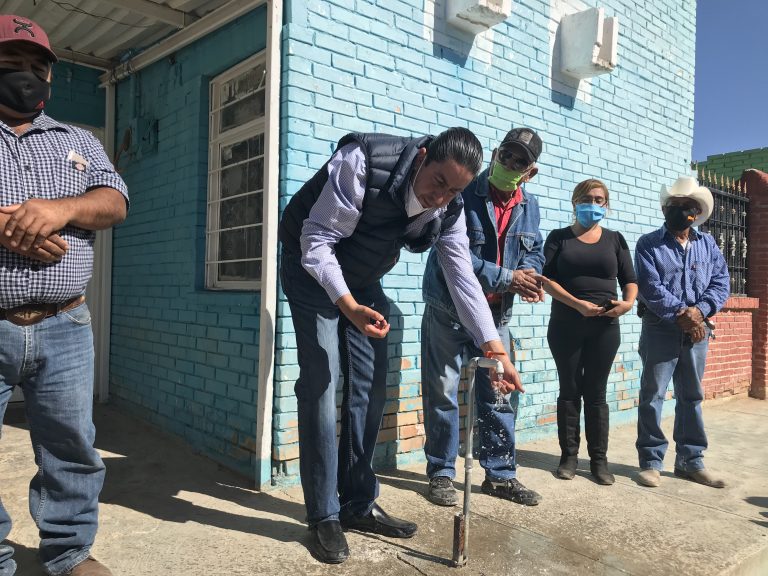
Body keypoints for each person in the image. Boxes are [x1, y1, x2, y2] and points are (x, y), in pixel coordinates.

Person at [278, 127, 523, 564]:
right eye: (438, 182)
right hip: (311, 269)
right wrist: (347, 304)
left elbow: (462, 277)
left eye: (455, 191)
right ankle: (324, 516)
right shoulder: (364, 161)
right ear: (423, 157)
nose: (440, 197)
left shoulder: (451, 209)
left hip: (363, 280)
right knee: (322, 381)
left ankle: (357, 503)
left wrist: (496, 350)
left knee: (369, 391)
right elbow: (316, 240)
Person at [0, 15, 128, 576]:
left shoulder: (78, 140)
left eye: (36, 67)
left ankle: (69, 551)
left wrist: (61, 209)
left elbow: (115, 201)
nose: (26, 77)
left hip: (66, 323)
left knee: (72, 447)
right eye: (11, 66)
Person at [421, 127, 545, 507]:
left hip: (496, 318)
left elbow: (534, 250)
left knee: (499, 395)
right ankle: (441, 473)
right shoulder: (465, 195)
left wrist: (530, 275)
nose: (508, 164)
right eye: (505, 155)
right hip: (448, 310)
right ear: (494, 153)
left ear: (530, 171)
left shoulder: (530, 206)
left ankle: (500, 475)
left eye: (519, 161)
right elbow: (456, 257)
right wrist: (509, 277)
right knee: (442, 393)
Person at [536, 179, 637, 485]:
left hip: (605, 327)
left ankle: (599, 462)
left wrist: (628, 304)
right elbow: (544, 279)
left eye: (600, 199)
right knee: (569, 389)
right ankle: (568, 458)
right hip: (566, 324)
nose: (594, 204)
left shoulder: (615, 240)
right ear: (575, 202)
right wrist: (576, 304)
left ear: (606, 204)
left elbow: (630, 279)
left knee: (596, 392)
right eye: (588, 199)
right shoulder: (559, 238)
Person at [634, 176, 729, 488]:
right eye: (674, 206)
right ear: (665, 209)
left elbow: (721, 282)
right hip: (660, 328)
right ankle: (651, 462)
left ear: (697, 212)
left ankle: (691, 460)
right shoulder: (648, 244)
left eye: (687, 207)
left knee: (691, 396)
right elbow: (650, 287)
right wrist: (681, 313)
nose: (680, 211)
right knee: (653, 394)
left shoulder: (709, 245)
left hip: (698, 330)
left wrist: (699, 313)